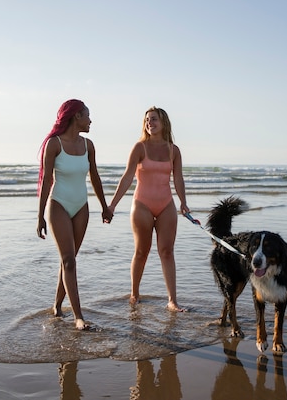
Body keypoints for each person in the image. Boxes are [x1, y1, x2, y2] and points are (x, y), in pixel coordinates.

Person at [37, 99, 113, 330]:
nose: (91, 121)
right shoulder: (54, 144)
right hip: (59, 204)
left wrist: (105, 206)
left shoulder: (88, 145)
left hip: (81, 206)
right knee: (68, 260)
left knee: (69, 261)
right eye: (88, 116)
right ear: (76, 116)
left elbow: (95, 177)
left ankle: (57, 305)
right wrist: (40, 215)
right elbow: (46, 182)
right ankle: (78, 317)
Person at [108, 106, 190, 312]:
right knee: (141, 251)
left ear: (163, 123)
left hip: (166, 205)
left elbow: (178, 178)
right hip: (142, 204)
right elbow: (127, 177)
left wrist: (183, 202)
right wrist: (112, 205)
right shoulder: (139, 147)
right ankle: (135, 293)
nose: (149, 123)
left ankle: (172, 300)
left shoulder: (174, 150)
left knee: (167, 251)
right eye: (147, 120)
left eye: (153, 119)